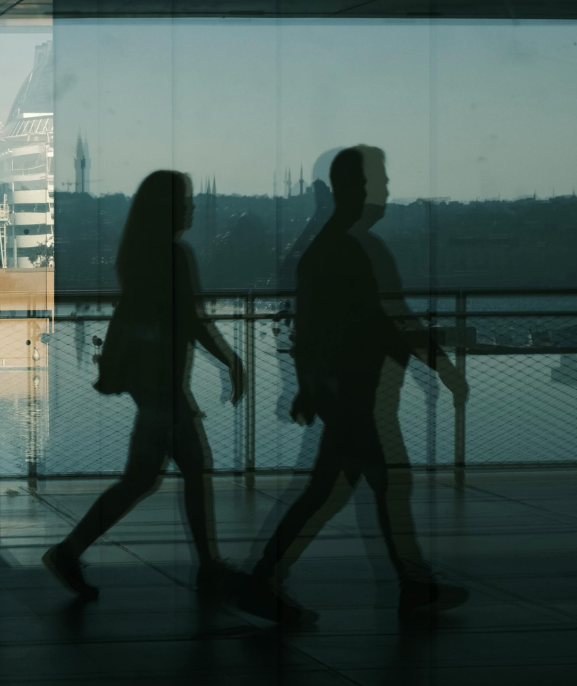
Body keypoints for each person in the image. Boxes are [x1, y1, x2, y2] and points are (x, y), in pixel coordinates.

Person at [242, 146, 470, 623]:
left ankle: (265, 580)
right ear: (355, 190)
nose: (384, 191)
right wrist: (437, 365)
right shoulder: (347, 249)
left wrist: (308, 385)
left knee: (333, 489)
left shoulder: (324, 250)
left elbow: (313, 327)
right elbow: (381, 322)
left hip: (338, 391)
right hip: (350, 393)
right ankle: (410, 584)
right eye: (377, 183)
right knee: (380, 485)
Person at [43, 170, 244, 600]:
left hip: (148, 383)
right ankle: (207, 566)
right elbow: (191, 319)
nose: (191, 207)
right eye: (185, 201)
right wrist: (229, 359)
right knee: (189, 470)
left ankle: (70, 551)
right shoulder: (174, 256)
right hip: (164, 387)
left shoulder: (139, 256)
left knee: (144, 478)